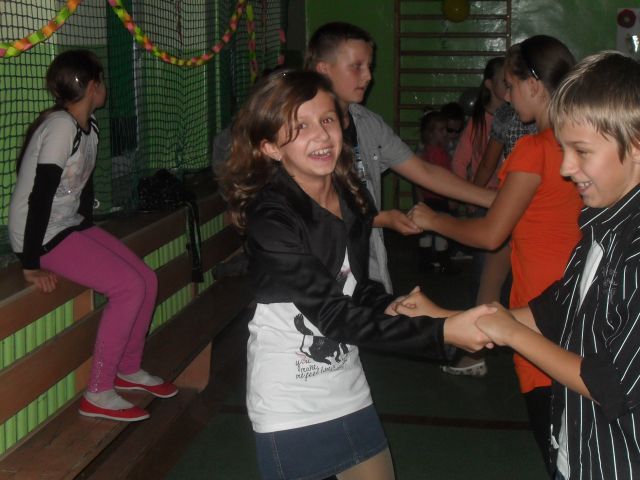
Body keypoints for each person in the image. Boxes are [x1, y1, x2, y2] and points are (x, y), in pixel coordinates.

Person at [218, 69, 494, 480]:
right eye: (300, 126)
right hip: (289, 400)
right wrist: (439, 333)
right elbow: (333, 314)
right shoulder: (271, 218)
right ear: (271, 146)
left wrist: (394, 305)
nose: (321, 134)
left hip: (346, 383)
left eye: (327, 119)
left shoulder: (348, 193)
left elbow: (356, 288)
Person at [405, 50, 640, 480]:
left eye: (581, 151)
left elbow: (612, 385)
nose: (566, 168)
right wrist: (446, 318)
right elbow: (553, 311)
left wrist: (510, 333)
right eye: (564, 150)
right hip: (579, 447)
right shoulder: (598, 228)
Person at [8, 50, 177, 422]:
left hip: (66, 224)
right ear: (91, 86)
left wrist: (89, 230)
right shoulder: (60, 127)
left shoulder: (90, 126)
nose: (105, 87)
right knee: (128, 287)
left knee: (145, 279)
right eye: (101, 80)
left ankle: (128, 368)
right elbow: (39, 197)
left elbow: (82, 187)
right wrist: (30, 263)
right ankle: (98, 391)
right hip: (38, 234)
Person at [305, 22, 496, 294]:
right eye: (357, 66)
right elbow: (311, 210)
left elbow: (425, 172)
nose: (368, 76)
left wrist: (496, 200)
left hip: (366, 267)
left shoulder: (368, 123)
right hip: (317, 270)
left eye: (369, 66)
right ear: (324, 69)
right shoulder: (300, 131)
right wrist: (380, 219)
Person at [415, 111, 458, 273]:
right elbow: (442, 178)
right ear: (430, 133)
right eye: (441, 130)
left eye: (445, 129)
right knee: (440, 229)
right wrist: (450, 196)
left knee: (428, 230)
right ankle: (442, 262)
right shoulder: (436, 153)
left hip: (431, 197)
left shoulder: (430, 150)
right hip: (438, 197)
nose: (445, 133)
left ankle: (426, 262)